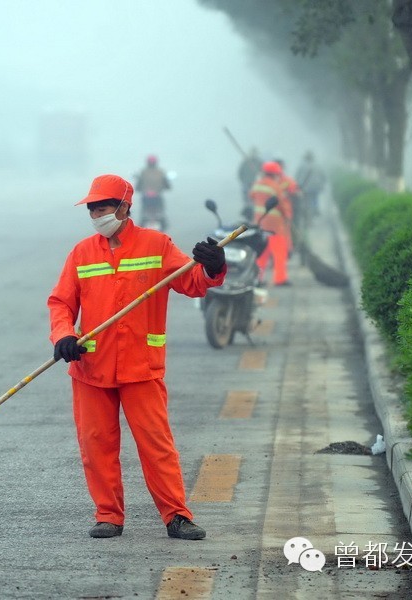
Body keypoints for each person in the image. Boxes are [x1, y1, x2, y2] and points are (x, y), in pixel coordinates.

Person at [47, 173, 226, 540]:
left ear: (125, 207)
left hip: (140, 368)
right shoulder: (81, 253)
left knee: (156, 445)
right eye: (93, 207)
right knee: (97, 446)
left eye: (104, 206)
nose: (97, 212)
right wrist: (65, 335)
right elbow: (61, 303)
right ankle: (108, 515)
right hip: (91, 370)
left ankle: (176, 515)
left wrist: (213, 266)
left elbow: (192, 283)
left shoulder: (156, 246)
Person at [250, 161, 293, 286]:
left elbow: (252, 196)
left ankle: (257, 279)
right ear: (275, 174)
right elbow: (282, 204)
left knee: (262, 254)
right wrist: (288, 216)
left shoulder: (257, 185)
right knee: (279, 252)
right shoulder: (275, 187)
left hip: (260, 223)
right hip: (275, 226)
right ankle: (280, 279)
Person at [134, 154, 171, 230]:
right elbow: (167, 185)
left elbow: (138, 186)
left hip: (146, 198)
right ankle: (163, 225)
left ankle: (140, 228)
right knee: (161, 214)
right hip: (157, 197)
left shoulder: (143, 172)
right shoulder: (161, 172)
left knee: (143, 214)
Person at [294, 150, 327, 218]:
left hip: (306, 187)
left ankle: (308, 213)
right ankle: (315, 210)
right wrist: (322, 184)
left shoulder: (302, 166)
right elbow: (323, 176)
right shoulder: (318, 165)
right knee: (315, 198)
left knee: (307, 200)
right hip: (317, 186)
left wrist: (298, 185)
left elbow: (298, 176)